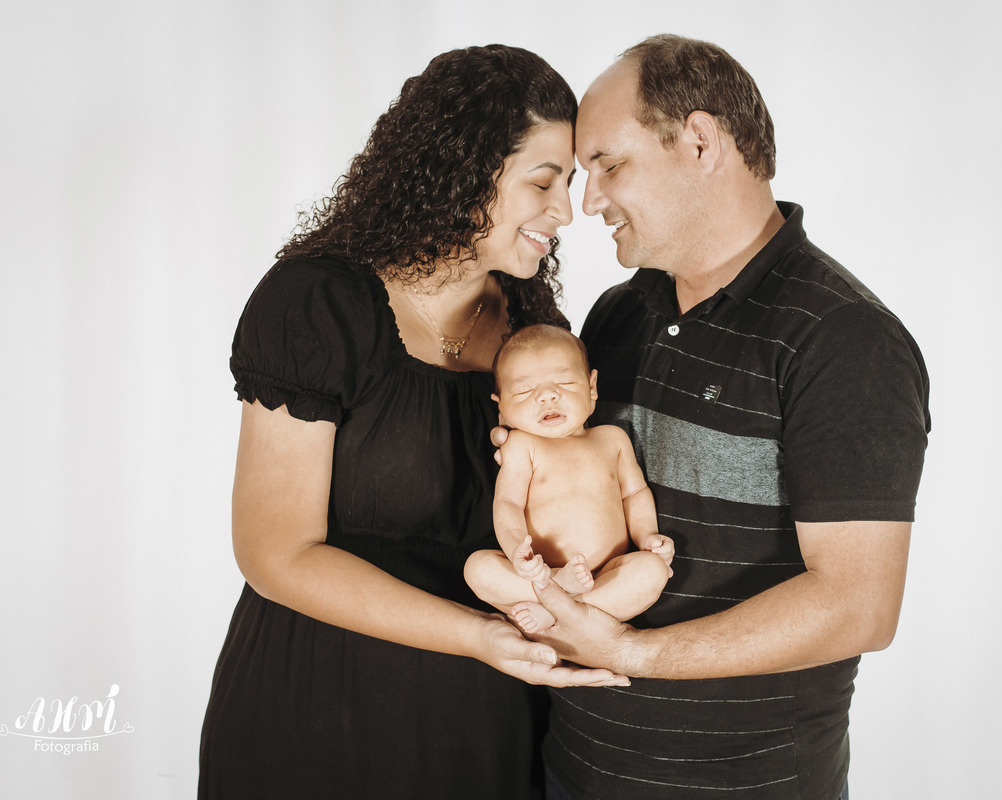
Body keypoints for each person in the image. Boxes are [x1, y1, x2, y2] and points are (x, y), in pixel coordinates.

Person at [498, 35, 932, 799]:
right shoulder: (619, 315)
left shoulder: (842, 338)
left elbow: (857, 605)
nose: (588, 202)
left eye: (608, 165)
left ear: (700, 142)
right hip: (572, 767)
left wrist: (633, 653)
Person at [197, 45, 629, 800]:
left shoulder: (533, 332)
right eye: (543, 182)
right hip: (320, 711)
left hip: (484, 725)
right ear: (465, 170)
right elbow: (274, 552)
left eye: (568, 184)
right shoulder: (317, 304)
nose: (566, 211)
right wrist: (477, 636)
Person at [463, 324, 674, 635]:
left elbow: (634, 493)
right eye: (524, 390)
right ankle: (560, 595)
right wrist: (516, 551)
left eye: (564, 382)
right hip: (540, 572)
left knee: (652, 571)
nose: (547, 396)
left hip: (607, 572)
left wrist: (648, 536)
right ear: (501, 405)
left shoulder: (612, 439)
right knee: (478, 568)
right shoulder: (521, 445)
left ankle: (557, 609)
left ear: (591, 387)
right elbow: (508, 503)